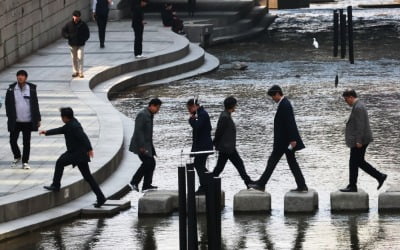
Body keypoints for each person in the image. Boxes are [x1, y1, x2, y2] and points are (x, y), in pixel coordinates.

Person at [41, 107, 106, 208]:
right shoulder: (71, 124)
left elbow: (83, 137)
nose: (61, 119)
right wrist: (47, 132)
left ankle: (56, 185)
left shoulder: (74, 126)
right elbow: (60, 130)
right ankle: (101, 197)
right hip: (79, 154)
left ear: (66, 117)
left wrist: (89, 149)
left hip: (76, 154)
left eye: (62, 117)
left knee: (60, 162)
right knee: (88, 177)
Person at [249, 85, 308, 192]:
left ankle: (261, 184)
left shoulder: (285, 104)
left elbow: (290, 123)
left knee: (273, 162)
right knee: (291, 163)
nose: (272, 99)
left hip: (284, 142)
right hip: (285, 142)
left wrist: (293, 139)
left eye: (272, 96)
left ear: (277, 93)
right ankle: (302, 185)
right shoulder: (284, 103)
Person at [339, 89, 387, 192]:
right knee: (357, 162)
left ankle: (354, 185)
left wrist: (359, 141)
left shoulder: (358, 107)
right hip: (360, 139)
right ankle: (378, 177)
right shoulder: (358, 105)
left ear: (351, 97)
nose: (346, 102)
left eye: (346, 99)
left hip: (361, 140)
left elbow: (360, 125)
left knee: (354, 162)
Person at [212, 96, 254, 188]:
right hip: (226, 148)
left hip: (228, 147)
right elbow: (219, 131)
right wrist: (215, 143)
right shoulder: (225, 117)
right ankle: (248, 182)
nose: (236, 107)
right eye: (235, 105)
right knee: (235, 165)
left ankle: (248, 182)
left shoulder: (226, 115)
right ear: (232, 106)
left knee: (221, 167)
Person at [5, 70, 41, 170]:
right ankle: (17, 156)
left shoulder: (31, 89)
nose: (20, 77)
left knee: (26, 143)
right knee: (12, 141)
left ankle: (25, 161)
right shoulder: (11, 89)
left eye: (22, 76)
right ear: (16, 77)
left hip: (28, 121)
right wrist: (9, 116)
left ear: (26, 78)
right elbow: (7, 104)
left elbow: (35, 105)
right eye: (18, 76)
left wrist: (38, 118)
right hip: (16, 121)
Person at [129, 98, 162, 192]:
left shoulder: (149, 115)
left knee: (151, 163)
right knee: (148, 163)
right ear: (152, 105)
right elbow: (138, 131)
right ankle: (134, 182)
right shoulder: (142, 115)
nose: (158, 110)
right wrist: (142, 146)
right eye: (157, 108)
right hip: (141, 145)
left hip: (147, 145)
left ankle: (146, 185)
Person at [187, 98, 213, 195]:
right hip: (201, 146)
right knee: (199, 165)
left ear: (195, 106)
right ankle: (208, 181)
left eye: (190, 109)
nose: (189, 111)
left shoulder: (202, 114)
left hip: (203, 146)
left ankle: (205, 185)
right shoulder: (200, 114)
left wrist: (191, 120)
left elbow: (197, 127)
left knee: (198, 165)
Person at [62, 10, 90, 78]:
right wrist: (67, 37)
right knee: (74, 58)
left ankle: (81, 72)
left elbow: (87, 33)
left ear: (80, 17)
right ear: (73, 16)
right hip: (72, 44)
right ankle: (75, 71)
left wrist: (84, 39)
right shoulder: (69, 24)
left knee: (80, 57)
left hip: (81, 44)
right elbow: (63, 31)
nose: (76, 18)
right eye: (75, 17)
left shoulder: (83, 24)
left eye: (78, 17)